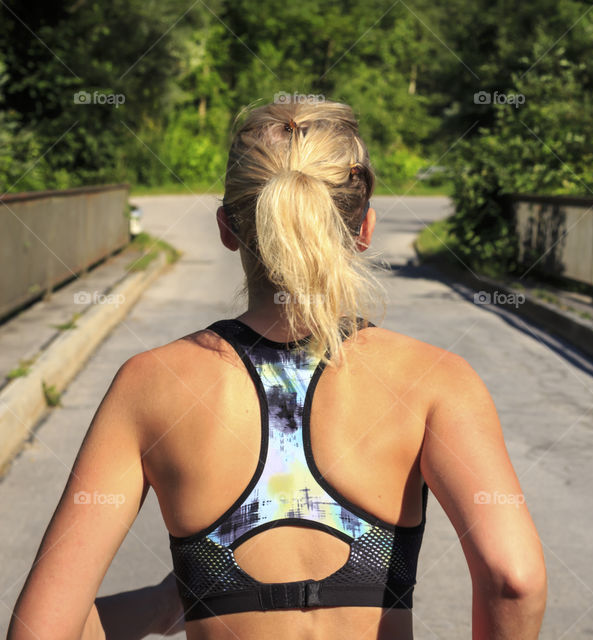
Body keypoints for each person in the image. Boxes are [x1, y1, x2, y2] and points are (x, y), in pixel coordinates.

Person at [7, 100, 547, 639]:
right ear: (364, 229)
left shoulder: (150, 383)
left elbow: (40, 628)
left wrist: (162, 604)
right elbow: (513, 579)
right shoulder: (436, 379)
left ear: (227, 228)